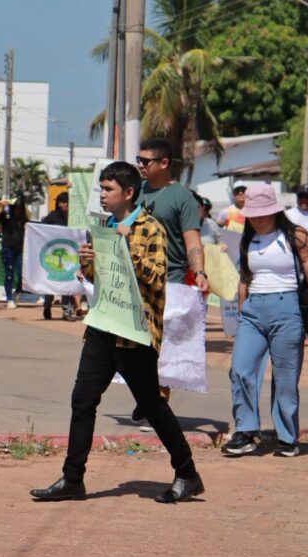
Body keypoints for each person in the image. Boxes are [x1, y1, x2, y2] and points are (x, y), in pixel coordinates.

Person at [30, 161, 203, 503]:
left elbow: (155, 276)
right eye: (102, 188)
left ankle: (187, 472)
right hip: (103, 325)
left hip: (134, 331)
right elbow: (99, 277)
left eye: (108, 189)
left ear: (128, 193)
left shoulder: (150, 227)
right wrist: (88, 262)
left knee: (151, 405)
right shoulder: (105, 226)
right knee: (83, 399)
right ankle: (73, 478)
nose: (102, 195)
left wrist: (125, 248)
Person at [221, 184, 308, 458]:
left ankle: (287, 438)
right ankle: (246, 431)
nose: (257, 219)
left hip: (287, 308)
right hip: (253, 311)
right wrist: (242, 311)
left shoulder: (297, 236)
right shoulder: (248, 237)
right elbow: (245, 276)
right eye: (253, 214)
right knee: (240, 369)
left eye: (262, 213)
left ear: (275, 211)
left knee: (285, 376)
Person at [132, 138, 210, 422]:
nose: (140, 165)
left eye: (145, 161)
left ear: (164, 163)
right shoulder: (134, 191)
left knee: (163, 349)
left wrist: (199, 272)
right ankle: (147, 398)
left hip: (170, 281)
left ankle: (157, 405)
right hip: (134, 281)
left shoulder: (182, 197)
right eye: (138, 160)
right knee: (136, 347)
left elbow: (192, 240)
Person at [40, 193, 79, 321]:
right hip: (53, 254)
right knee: (52, 282)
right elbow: (40, 229)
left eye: (67, 201)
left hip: (69, 255)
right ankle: (47, 305)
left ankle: (67, 312)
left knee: (67, 283)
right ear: (59, 203)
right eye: (63, 202)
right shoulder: (52, 216)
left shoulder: (75, 217)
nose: (65, 204)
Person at [0, 198, 27, 309]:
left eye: (20, 209)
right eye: (16, 208)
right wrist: (2, 206)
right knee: (9, 274)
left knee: (22, 273)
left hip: (20, 250)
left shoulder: (23, 219)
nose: (18, 211)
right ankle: (9, 298)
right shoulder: (6, 216)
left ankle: (17, 291)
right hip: (8, 249)